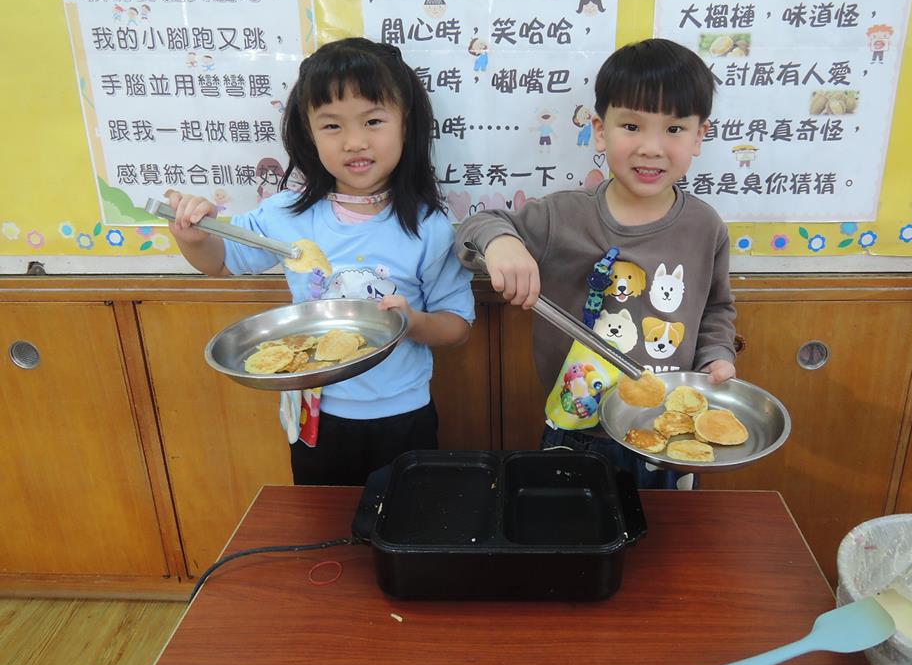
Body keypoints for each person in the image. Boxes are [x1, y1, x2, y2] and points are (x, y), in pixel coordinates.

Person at [166, 38, 475, 486]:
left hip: (404, 414)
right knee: (324, 520)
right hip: (315, 413)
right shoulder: (285, 216)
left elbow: (457, 325)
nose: (355, 142)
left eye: (373, 121)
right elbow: (222, 261)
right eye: (332, 126)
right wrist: (194, 237)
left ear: (406, 125)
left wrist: (412, 322)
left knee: (403, 518)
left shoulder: (429, 226)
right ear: (308, 134)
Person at [455, 38, 736, 489]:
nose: (651, 147)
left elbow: (716, 310)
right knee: (570, 523)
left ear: (699, 136)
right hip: (577, 423)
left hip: (668, 427)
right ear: (601, 131)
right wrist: (500, 241)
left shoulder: (705, 227)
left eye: (674, 129)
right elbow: (473, 230)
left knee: (667, 529)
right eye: (632, 126)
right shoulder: (562, 215)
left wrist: (716, 358)